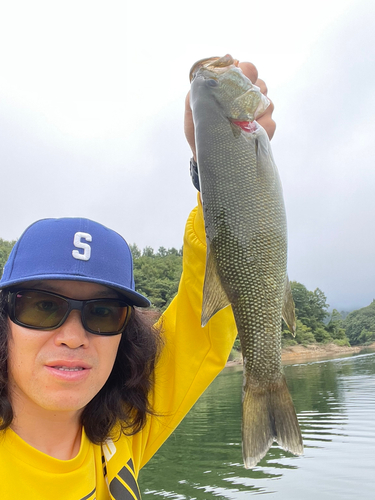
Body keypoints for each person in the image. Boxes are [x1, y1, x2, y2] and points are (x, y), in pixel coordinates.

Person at [0, 60, 275, 499]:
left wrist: (224, 165)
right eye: (42, 306)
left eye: (103, 313)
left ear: (125, 333)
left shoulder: (122, 431)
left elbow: (204, 320)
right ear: (5, 321)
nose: (73, 336)